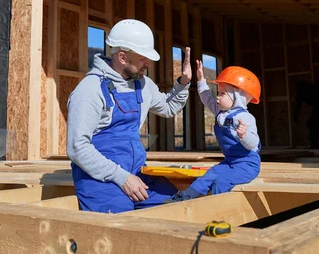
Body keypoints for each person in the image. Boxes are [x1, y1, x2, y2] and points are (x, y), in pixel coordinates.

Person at [67, 19, 192, 213]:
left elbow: (168, 107)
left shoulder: (143, 84)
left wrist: (183, 83)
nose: (148, 64)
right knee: (121, 224)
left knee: (177, 204)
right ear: (123, 57)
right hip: (99, 180)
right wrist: (122, 178)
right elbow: (77, 148)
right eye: (143, 58)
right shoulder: (89, 90)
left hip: (136, 173)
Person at [166, 62, 261, 202]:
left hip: (247, 165)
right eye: (218, 93)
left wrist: (244, 135)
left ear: (237, 97)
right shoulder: (221, 112)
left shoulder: (244, 117)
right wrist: (201, 80)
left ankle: (216, 207)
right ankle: (184, 197)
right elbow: (206, 98)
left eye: (222, 94)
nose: (217, 97)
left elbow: (254, 144)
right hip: (229, 162)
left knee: (221, 182)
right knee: (208, 176)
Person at [293, 80, 319, 150]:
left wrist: (295, 118)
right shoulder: (313, 87)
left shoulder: (302, 90)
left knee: (311, 123)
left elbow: (298, 105)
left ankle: (315, 145)